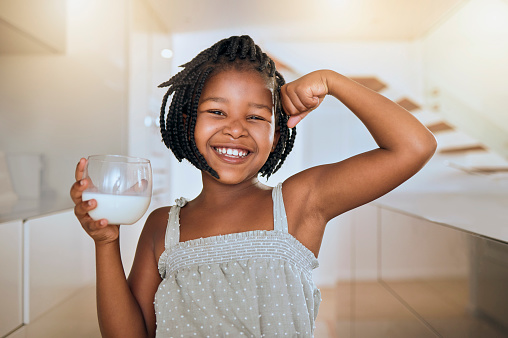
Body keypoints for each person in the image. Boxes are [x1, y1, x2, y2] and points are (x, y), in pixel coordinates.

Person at [70, 35, 437, 337]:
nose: (236, 128)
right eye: (217, 111)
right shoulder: (162, 227)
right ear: (186, 120)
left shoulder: (299, 203)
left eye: (256, 116)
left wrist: (332, 80)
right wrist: (106, 242)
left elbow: (414, 146)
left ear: (277, 130)